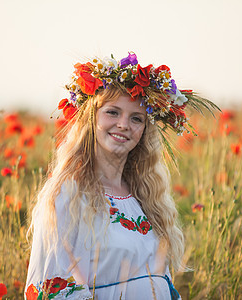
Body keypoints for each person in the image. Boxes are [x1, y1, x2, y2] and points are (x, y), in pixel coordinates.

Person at [25, 52, 217, 300]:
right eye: (113, 112)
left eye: (136, 118)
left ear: (144, 132)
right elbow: (49, 288)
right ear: (91, 119)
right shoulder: (68, 195)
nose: (124, 125)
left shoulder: (147, 198)